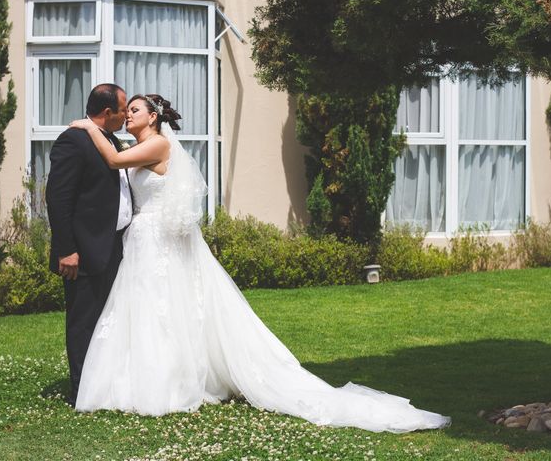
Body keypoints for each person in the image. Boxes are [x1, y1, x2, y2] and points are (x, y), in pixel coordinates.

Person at [69, 94, 450, 432]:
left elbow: (116, 159)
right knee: (145, 308)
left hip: (155, 240)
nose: (127, 115)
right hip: (143, 238)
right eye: (125, 110)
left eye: (134, 110)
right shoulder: (146, 146)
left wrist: (89, 128)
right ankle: (137, 378)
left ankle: (165, 383)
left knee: (162, 307)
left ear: (153, 117)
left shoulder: (158, 146)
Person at [46, 84, 131, 405]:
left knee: (107, 319)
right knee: (83, 321)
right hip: (84, 250)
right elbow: (58, 198)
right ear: (108, 113)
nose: (126, 115)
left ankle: (105, 383)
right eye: (123, 110)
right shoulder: (73, 140)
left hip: (114, 247)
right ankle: (82, 391)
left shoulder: (111, 140)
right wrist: (67, 249)